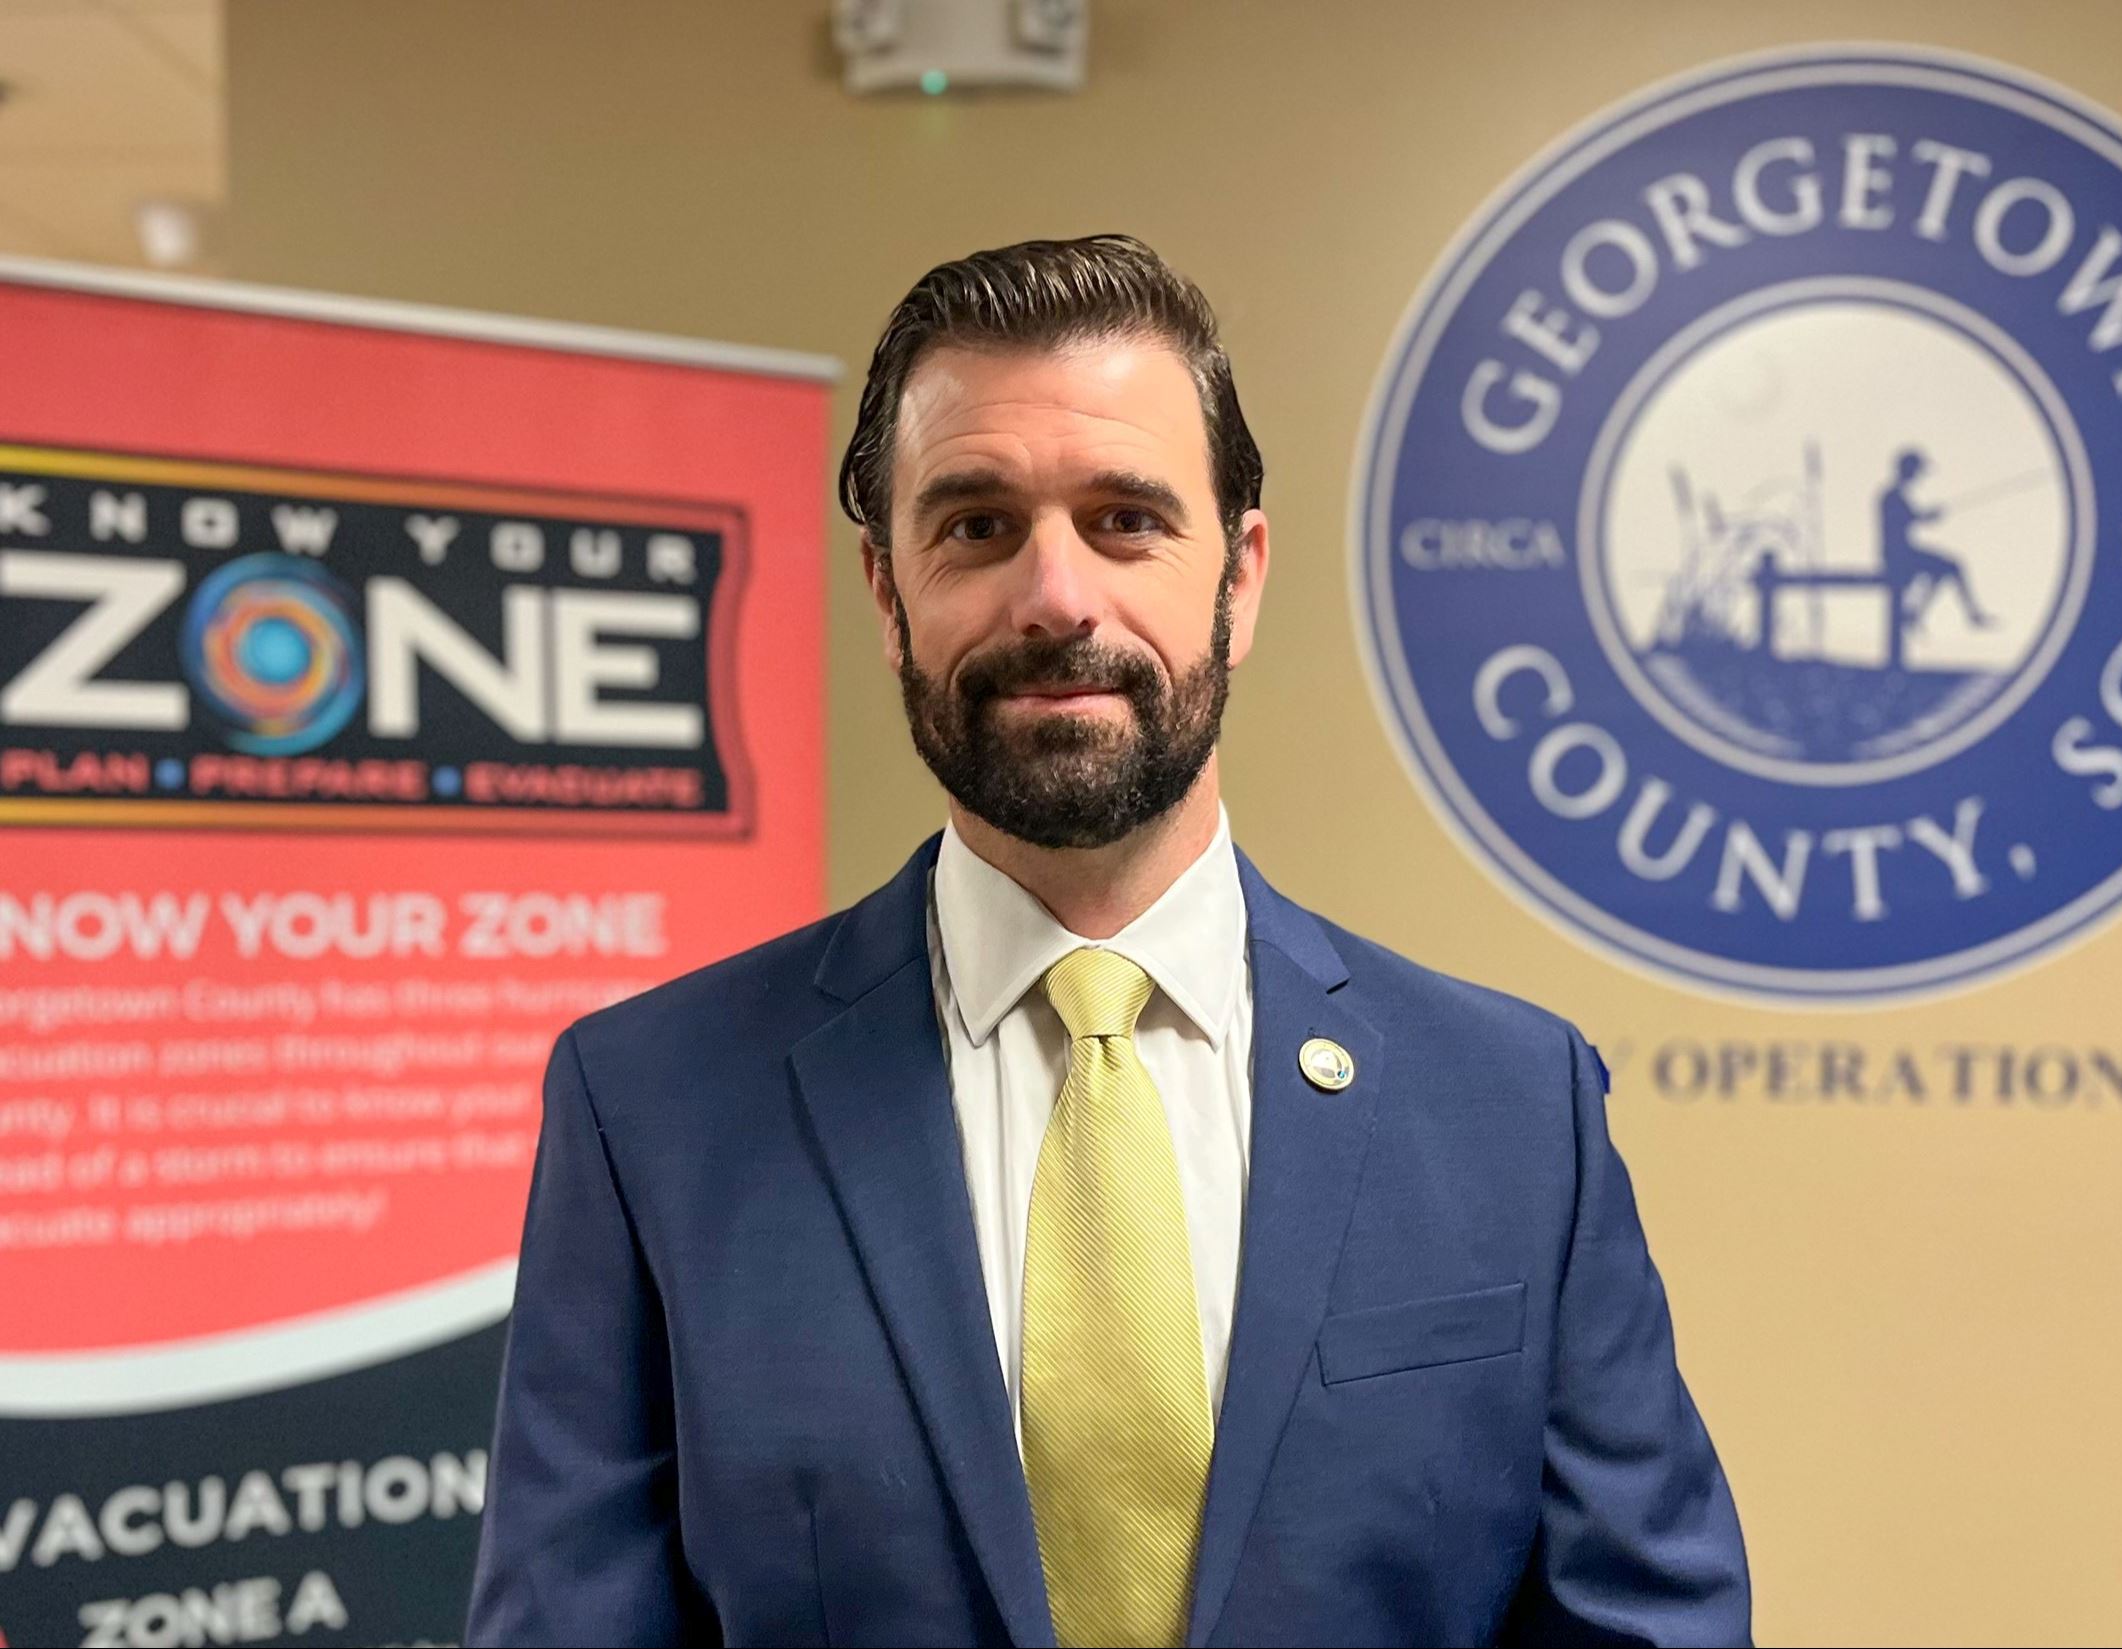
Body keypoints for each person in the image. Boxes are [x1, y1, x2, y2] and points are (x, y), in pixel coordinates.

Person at [467, 235, 1750, 1648]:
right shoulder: (650, 1107)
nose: (1056, 598)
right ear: (887, 595)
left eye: (1125, 520)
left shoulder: (1514, 1107)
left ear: (1239, 576)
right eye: (974, 526)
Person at [1880, 448, 1993, 630]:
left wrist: (1927, 515)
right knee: (1951, 566)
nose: (1919, 476)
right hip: (1898, 556)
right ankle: (1969, 616)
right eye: (1917, 471)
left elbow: (1910, 518)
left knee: (1944, 568)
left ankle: (1915, 613)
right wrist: (1928, 515)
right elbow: (1905, 519)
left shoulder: (1895, 495)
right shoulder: (1891, 495)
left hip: (1900, 554)